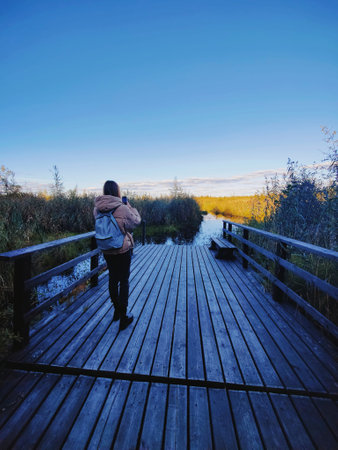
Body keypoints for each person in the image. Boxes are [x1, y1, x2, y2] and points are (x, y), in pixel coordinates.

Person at [93, 180, 141, 330]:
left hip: (106, 249)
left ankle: (116, 311)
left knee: (112, 279)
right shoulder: (122, 208)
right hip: (122, 249)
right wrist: (130, 207)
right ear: (117, 191)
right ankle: (124, 317)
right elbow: (136, 222)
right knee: (124, 281)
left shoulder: (97, 209)